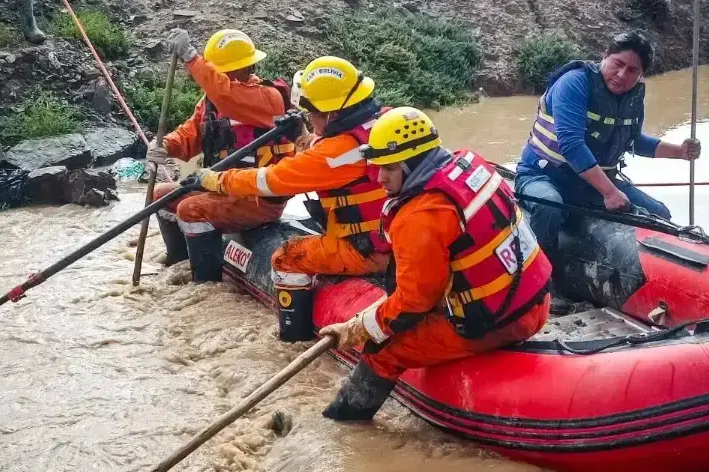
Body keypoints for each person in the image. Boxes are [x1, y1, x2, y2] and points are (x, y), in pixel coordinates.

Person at [318, 107, 553, 421]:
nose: (380, 178)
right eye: (378, 167)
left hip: (502, 320)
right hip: (535, 297)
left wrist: (357, 328)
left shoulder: (420, 217)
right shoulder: (470, 164)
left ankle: (347, 423)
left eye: (389, 168)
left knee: (382, 349)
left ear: (413, 164)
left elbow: (413, 303)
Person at [191, 56, 393, 342]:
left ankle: (293, 339)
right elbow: (325, 152)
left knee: (287, 258)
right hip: (395, 241)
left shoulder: (337, 153)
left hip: (365, 249)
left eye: (312, 113)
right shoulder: (383, 125)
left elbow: (272, 180)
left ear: (332, 114)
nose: (309, 117)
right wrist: (301, 134)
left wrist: (215, 180)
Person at [514, 30, 701, 310]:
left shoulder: (633, 96)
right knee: (549, 206)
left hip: (592, 184)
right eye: (618, 64)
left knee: (659, 214)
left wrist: (680, 152)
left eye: (632, 70)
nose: (622, 75)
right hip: (543, 175)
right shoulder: (574, 83)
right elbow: (571, 144)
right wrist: (610, 193)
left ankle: (667, 286)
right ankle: (545, 285)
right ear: (605, 56)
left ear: (641, 75)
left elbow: (634, 140)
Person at [146, 28, 298, 283]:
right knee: (160, 194)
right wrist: (164, 146)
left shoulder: (268, 97)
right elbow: (189, 134)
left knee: (189, 209)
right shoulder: (211, 101)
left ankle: (205, 283)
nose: (217, 76)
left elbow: (226, 95)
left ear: (245, 68)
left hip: (257, 198)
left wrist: (191, 57)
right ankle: (179, 261)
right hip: (220, 188)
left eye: (220, 71)